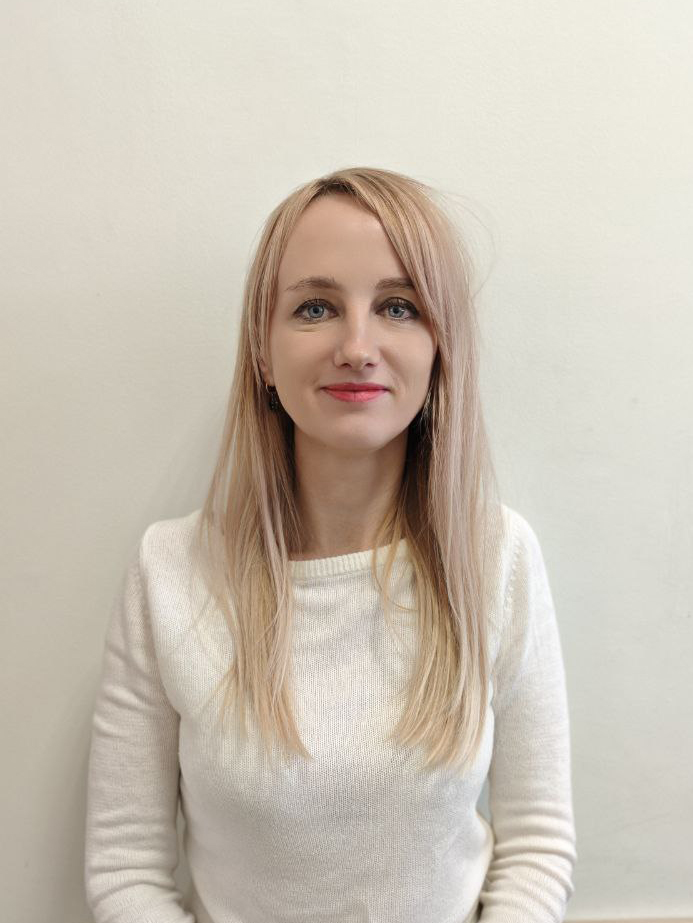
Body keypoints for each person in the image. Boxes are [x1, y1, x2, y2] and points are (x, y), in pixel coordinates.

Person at [84, 166, 577, 923]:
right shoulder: (170, 571)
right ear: (262, 349)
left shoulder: (496, 557)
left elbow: (537, 848)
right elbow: (125, 868)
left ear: (441, 345)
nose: (357, 346)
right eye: (315, 307)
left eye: (398, 307)